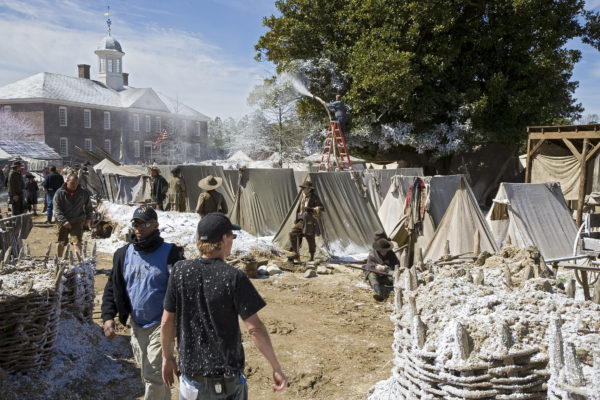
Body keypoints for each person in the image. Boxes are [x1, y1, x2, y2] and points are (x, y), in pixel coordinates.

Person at [160, 213, 288, 398]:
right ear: (223, 239)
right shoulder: (233, 277)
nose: (233, 241)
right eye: (232, 236)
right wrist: (276, 367)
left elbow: (166, 322)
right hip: (226, 383)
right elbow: (255, 329)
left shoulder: (180, 271)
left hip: (191, 381)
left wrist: (167, 357)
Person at [101, 205, 184, 400]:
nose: (139, 228)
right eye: (136, 223)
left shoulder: (171, 253)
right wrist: (108, 316)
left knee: (154, 373)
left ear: (155, 225)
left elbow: (182, 290)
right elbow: (112, 287)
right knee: (147, 372)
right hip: (137, 324)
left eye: (145, 223)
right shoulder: (123, 254)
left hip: (162, 323)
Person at [53, 173, 92, 257]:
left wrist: (88, 218)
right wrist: (64, 221)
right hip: (62, 221)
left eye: (76, 183)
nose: (74, 185)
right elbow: (57, 209)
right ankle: (59, 260)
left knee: (77, 242)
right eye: (72, 183)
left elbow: (89, 206)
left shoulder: (83, 192)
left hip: (77, 220)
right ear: (67, 181)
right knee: (61, 242)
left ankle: (79, 262)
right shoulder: (60, 193)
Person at [288, 181, 324, 262]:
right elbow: (299, 208)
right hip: (301, 221)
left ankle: (311, 257)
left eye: (304, 188)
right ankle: (296, 253)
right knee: (293, 233)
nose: (302, 189)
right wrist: (297, 217)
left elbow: (322, 208)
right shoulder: (303, 196)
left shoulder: (314, 197)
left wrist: (311, 209)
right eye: (302, 188)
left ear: (309, 189)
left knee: (310, 238)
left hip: (310, 221)